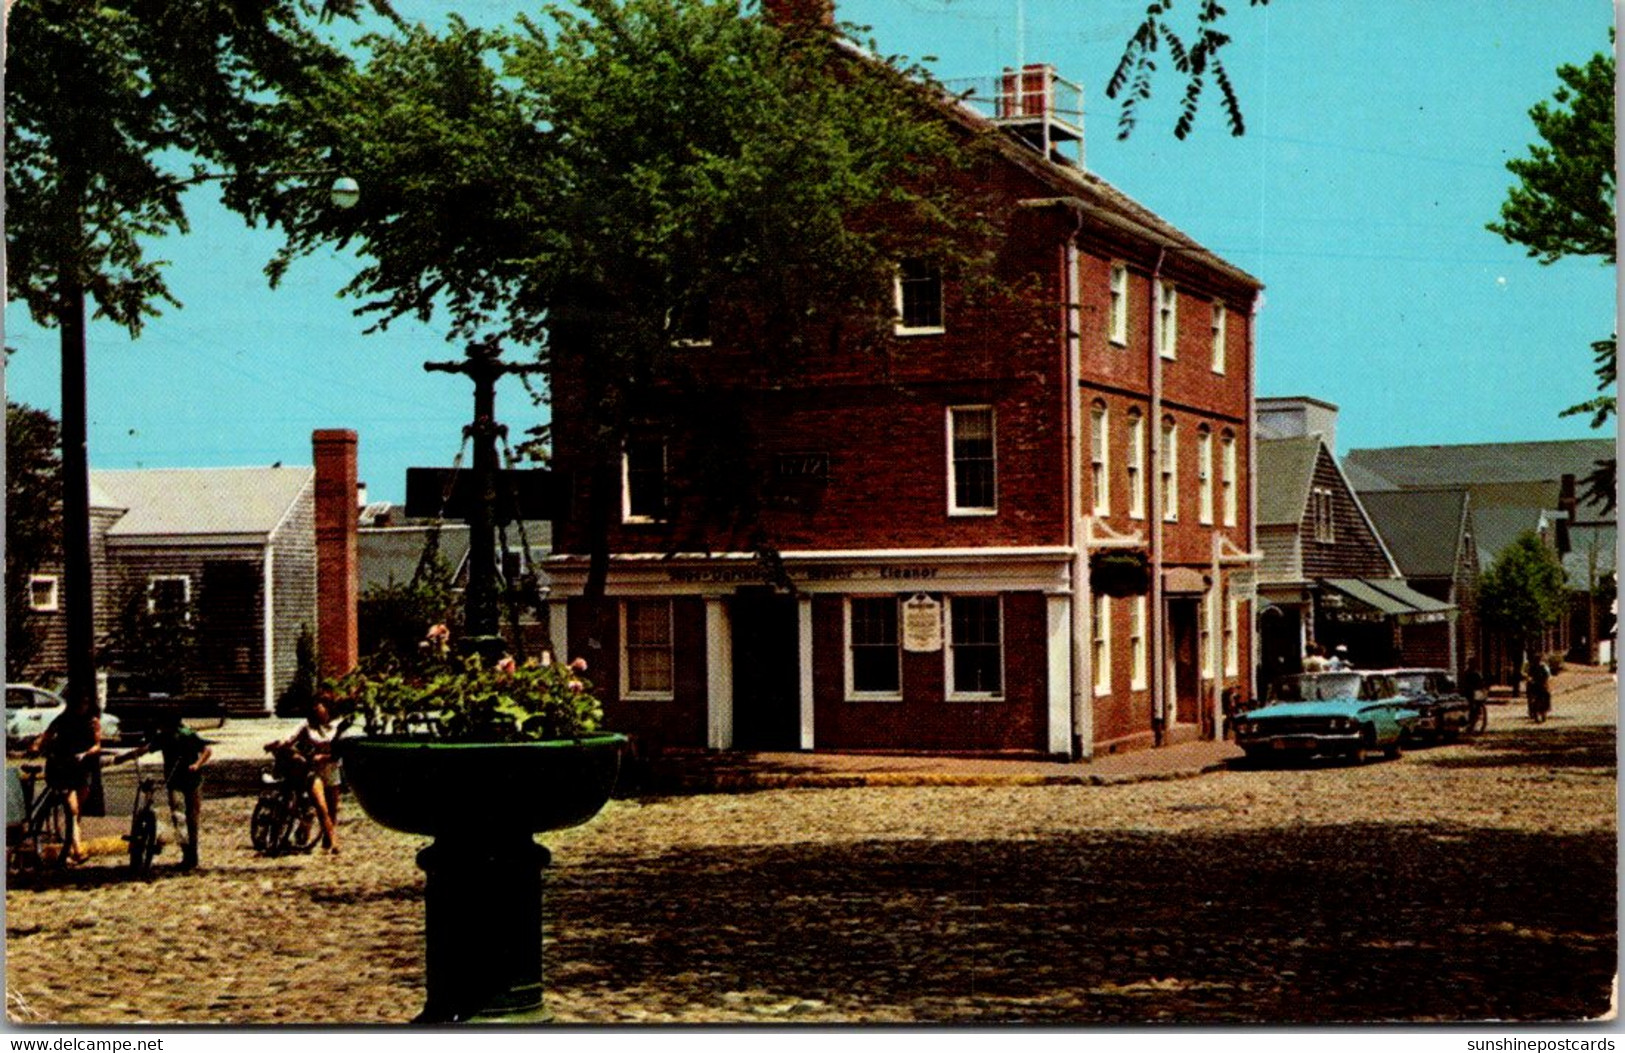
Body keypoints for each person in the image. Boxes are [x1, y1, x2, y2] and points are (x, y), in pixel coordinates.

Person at [113, 714, 213, 870]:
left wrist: (197, 764)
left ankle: (192, 855)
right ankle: (187, 852)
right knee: (178, 816)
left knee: (192, 818)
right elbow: (144, 749)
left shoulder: (187, 735)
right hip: (174, 781)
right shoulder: (163, 737)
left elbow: (207, 750)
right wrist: (124, 758)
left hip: (193, 781)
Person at [26, 698, 104, 865]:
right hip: (62, 766)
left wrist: (85, 754)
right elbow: (47, 734)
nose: (81, 707)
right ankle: (77, 849)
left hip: (82, 768)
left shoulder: (93, 722)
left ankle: (71, 845)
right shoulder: (63, 719)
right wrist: (36, 746)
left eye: (84, 704)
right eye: (79, 704)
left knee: (76, 812)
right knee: (73, 809)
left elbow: (98, 745)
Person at [266, 700, 343, 853]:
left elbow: (340, 751)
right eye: (316, 712)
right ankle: (334, 842)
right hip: (313, 770)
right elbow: (289, 739)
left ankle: (327, 841)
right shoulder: (306, 727)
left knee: (333, 809)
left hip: (332, 769)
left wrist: (324, 757)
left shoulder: (337, 728)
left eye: (322, 711)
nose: (320, 714)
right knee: (321, 806)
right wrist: (277, 745)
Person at [1527, 656, 1552, 723]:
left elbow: (1548, 675)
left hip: (1542, 684)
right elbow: (1529, 676)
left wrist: (1546, 682)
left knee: (1547, 695)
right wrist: (1530, 680)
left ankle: (1546, 709)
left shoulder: (1543, 667)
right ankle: (1532, 710)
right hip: (1535, 685)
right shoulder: (1532, 667)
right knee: (1531, 697)